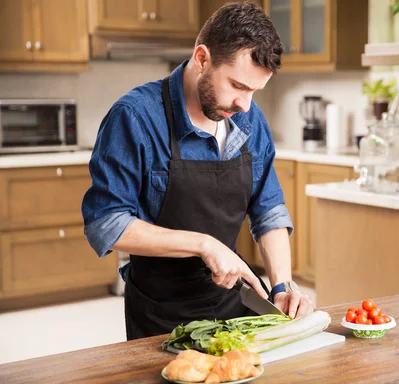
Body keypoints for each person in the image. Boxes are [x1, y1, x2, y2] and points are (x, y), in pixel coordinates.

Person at [81, 2, 313, 340]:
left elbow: (269, 211)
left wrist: (282, 285)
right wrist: (204, 244)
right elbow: (106, 224)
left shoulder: (250, 121)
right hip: (160, 316)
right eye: (237, 86)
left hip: (236, 310)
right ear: (202, 59)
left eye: (254, 91)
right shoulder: (136, 117)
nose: (245, 104)